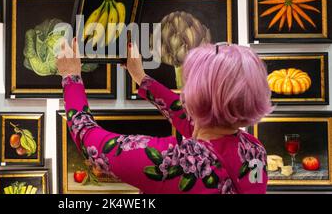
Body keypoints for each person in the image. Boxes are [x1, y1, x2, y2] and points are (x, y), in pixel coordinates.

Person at [57, 40, 273, 194]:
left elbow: (91, 143)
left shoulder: (174, 162)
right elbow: (195, 121)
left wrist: (71, 77)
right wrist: (142, 79)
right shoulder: (254, 151)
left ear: (197, 95)